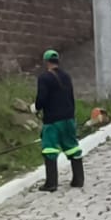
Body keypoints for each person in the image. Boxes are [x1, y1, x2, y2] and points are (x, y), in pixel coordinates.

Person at [35, 49, 84, 191]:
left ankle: (51, 183)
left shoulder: (44, 78)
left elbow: (42, 98)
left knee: (49, 148)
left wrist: (36, 107)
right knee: (72, 147)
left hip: (53, 120)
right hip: (68, 118)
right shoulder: (66, 77)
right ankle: (78, 179)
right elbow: (71, 97)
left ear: (46, 62)